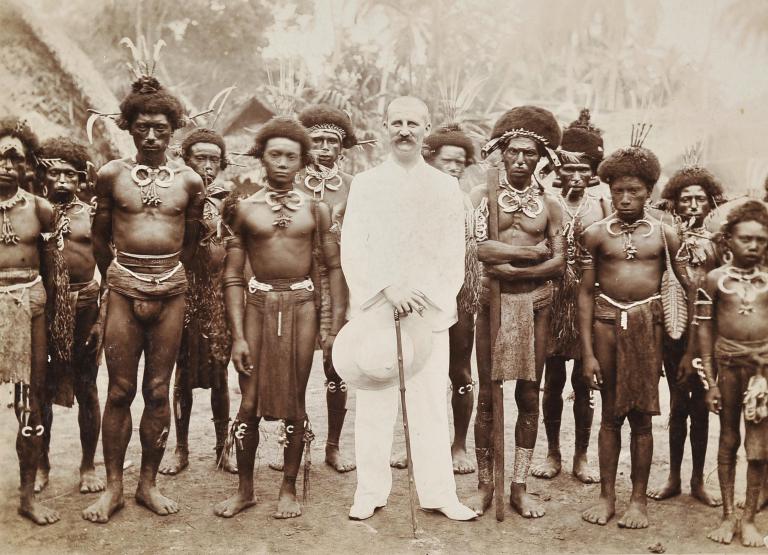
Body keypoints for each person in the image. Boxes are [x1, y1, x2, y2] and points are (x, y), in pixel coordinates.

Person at [341, 96, 476, 521]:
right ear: (384, 126)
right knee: (375, 400)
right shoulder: (365, 184)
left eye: (413, 123)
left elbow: (452, 252)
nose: (404, 130)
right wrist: (386, 288)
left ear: (426, 129)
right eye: (396, 122)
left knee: (430, 404)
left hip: (427, 311)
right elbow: (354, 247)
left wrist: (422, 296)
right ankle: (370, 491)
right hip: (378, 307)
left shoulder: (444, 186)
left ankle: (439, 494)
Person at [82, 74, 205, 523]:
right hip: (122, 287)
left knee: (157, 391)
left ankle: (147, 485)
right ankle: (113, 488)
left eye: (161, 129)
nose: (151, 137)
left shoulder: (190, 181)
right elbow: (99, 238)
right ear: (128, 129)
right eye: (142, 129)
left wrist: (169, 279)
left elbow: (190, 243)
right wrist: (117, 280)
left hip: (171, 289)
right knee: (119, 389)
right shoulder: (111, 175)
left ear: (173, 131)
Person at [214, 116, 345, 519]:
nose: (283, 163)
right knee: (249, 400)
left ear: (303, 160)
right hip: (257, 306)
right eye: (275, 155)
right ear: (261, 157)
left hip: (303, 307)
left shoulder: (316, 209)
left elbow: (333, 267)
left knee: (294, 397)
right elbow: (233, 275)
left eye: (291, 156)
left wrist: (333, 324)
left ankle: (288, 487)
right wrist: (238, 336)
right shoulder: (243, 209)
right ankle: (246, 490)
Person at [579, 135, 687, 529]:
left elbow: (681, 287)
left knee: (641, 417)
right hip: (606, 323)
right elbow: (585, 295)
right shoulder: (595, 234)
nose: (625, 198)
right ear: (609, 190)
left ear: (649, 192)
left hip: (648, 325)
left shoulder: (665, 235)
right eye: (618, 190)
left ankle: (638, 500)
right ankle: (607, 497)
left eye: (634, 191)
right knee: (609, 415)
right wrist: (587, 352)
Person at [468, 106, 565, 518]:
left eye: (530, 153)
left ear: (541, 158)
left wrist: (513, 264)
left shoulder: (552, 204)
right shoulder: (481, 196)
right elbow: (480, 250)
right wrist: (530, 253)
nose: (522, 160)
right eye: (514, 152)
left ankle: (519, 485)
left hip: (536, 304)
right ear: (502, 154)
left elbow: (558, 262)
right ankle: (485, 485)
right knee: (488, 396)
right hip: (492, 302)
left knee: (529, 393)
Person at [1, 117, 72, 524]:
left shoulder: (41, 210)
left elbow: (53, 274)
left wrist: (56, 329)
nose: (6, 165)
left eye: (15, 158)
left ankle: (28, 496)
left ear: (28, 164)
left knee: (32, 404)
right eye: (0, 156)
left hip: (31, 304)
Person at [533, 109, 607, 484]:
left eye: (584, 169)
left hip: (587, 299)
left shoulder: (602, 203)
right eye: (568, 169)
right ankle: (551, 452)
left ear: (593, 171)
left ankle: (581, 455)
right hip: (553, 294)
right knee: (553, 379)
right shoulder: (545, 199)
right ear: (557, 169)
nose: (576, 176)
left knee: (583, 381)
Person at [159, 128, 236, 476]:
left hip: (218, 295)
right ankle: (181, 449)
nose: (207, 166)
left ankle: (224, 448)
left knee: (219, 372)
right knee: (182, 373)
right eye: (200, 158)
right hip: (183, 290)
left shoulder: (229, 200)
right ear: (185, 159)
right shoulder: (174, 194)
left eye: (213, 159)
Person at [647, 159, 724, 506]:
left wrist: (698, 349)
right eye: (686, 199)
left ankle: (697, 481)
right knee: (678, 405)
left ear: (710, 203)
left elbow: (708, 296)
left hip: (707, 337)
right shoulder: (667, 236)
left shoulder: (718, 244)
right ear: (674, 202)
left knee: (701, 408)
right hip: (673, 334)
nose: (693, 205)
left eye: (700, 199)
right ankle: (674, 477)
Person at [34, 138, 105, 495]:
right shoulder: (34, 211)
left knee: (88, 386)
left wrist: (100, 319)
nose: (61, 180)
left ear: (81, 180)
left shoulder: (92, 215)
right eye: (54, 173)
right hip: (44, 307)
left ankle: (89, 465)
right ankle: (42, 464)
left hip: (85, 304)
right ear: (44, 177)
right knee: (40, 389)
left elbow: (111, 264)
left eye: (69, 174)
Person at [698, 200, 768, 548]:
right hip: (726, 368)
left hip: (762, 374)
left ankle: (750, 518)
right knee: (728, 439)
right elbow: (704, 332)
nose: (753, 246)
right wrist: (709, 382)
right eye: (745, 239)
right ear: (728, 240)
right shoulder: (714, 280)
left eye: (760, 240)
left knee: (758, 447)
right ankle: (727, 514)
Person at [294, 103, 356, 473]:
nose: (323, 147)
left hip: (338, 282)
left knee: (337, 367)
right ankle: (297, 443)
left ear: (342, 147)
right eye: (316, 140)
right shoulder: (290, 182)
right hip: (298, 281)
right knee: (296, 366)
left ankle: (333, 446)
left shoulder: (353, 186)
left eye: (331, 141)